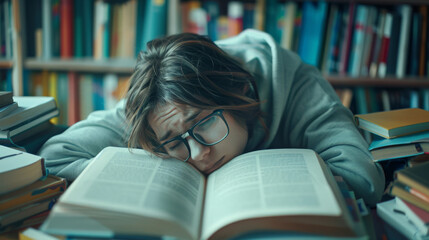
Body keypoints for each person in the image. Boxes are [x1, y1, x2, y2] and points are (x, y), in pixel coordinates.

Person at [39, 29, 385, 206]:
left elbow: (363, 177)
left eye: (204, 122)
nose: (199, 154)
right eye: (175, 142)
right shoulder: (154, 107)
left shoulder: (294, 82)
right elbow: (54, 157)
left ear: (241, 95)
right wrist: (146, 172)